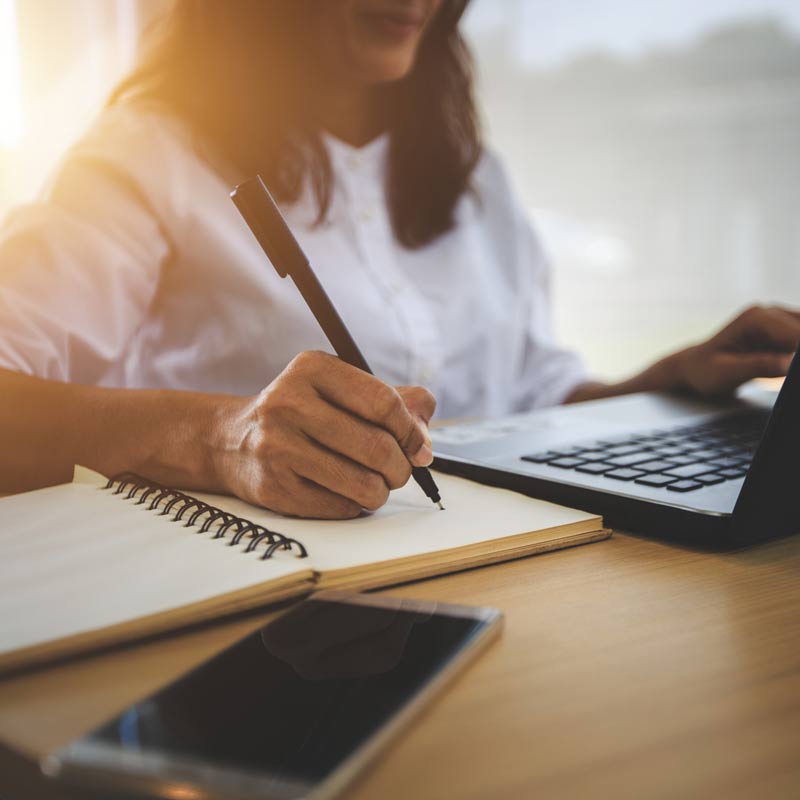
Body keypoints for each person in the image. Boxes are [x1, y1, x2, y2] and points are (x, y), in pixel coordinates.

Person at [1, 0, 798, 518]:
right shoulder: (146, 156)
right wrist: (221, 437)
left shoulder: (475, 177)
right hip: (277, 620)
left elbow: (529, 397)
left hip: (512, 582)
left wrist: (669, 379)